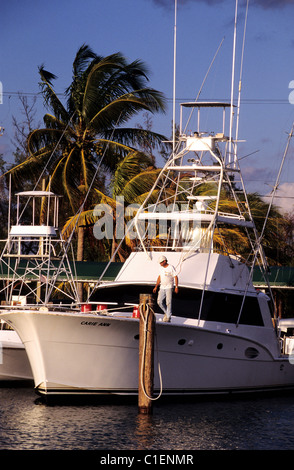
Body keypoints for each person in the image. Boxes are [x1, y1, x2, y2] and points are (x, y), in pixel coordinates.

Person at [153, 255, 178, 322]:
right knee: (159, 302)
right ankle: (167, 313)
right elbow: (159, 277)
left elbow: (175, 276)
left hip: (169, 287)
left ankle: (168, 316)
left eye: (161, 262)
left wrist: (176, 287)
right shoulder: (160, 268)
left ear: (164, 261)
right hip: (162, 287)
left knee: (168, 302)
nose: (160, 264)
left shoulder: (171, 267)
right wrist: (156, 286)